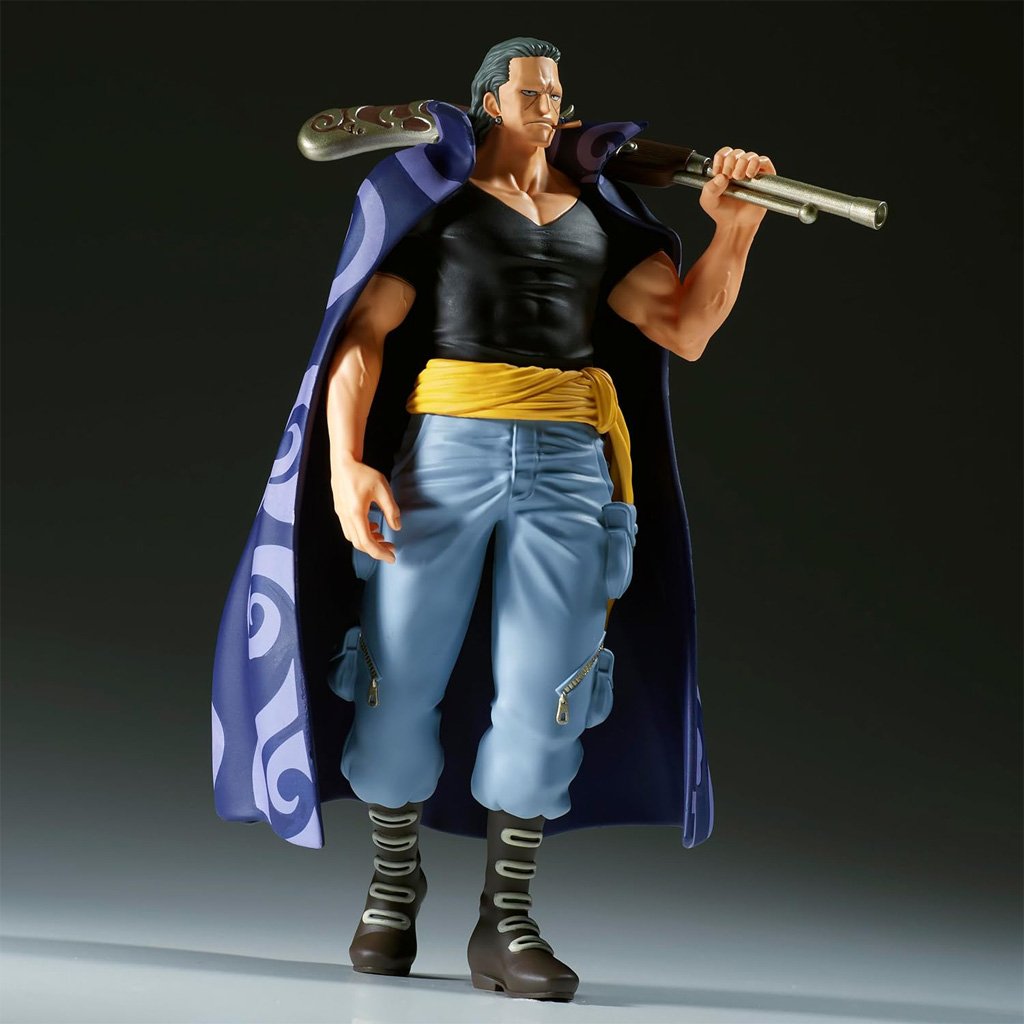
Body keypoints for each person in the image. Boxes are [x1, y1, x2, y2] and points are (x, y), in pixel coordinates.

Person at [211, 36, 773, 1003]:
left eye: (556, 94)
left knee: (552, 688)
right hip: (447, 454)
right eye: (529, 94)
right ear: (488, 103)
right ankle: (392, 886)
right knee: (395, 672)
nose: (548, 108)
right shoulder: (435, 205)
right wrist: (345, 463)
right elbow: (362, 336)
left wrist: (737, 227)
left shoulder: (598, 216)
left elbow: (684, 327)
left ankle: (506, 919)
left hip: (570, 464)